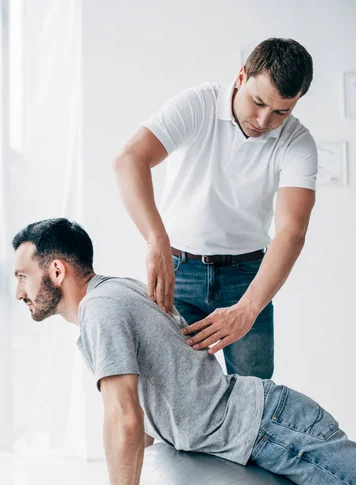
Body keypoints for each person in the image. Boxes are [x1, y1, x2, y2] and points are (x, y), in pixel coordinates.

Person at [13, 219, 355, 485]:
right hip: (264, 425)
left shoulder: (101, 311)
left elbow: (124, 418)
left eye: (23, 276)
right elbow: (141, 423)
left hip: (272, 429)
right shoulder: (116, 294)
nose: (19, 292)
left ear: (57, 270)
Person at [113, 37, 318, 379]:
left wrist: (248, 309)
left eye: (281, 111)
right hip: (176, 270)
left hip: (247, 278)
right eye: (258, 102)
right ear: (241, 77)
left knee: (254, 396)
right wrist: (156, 241)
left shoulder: (298, 142)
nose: (265, 119)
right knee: (170, 390)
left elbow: (291, 231)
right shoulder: (199, 104)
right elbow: (129, 159)